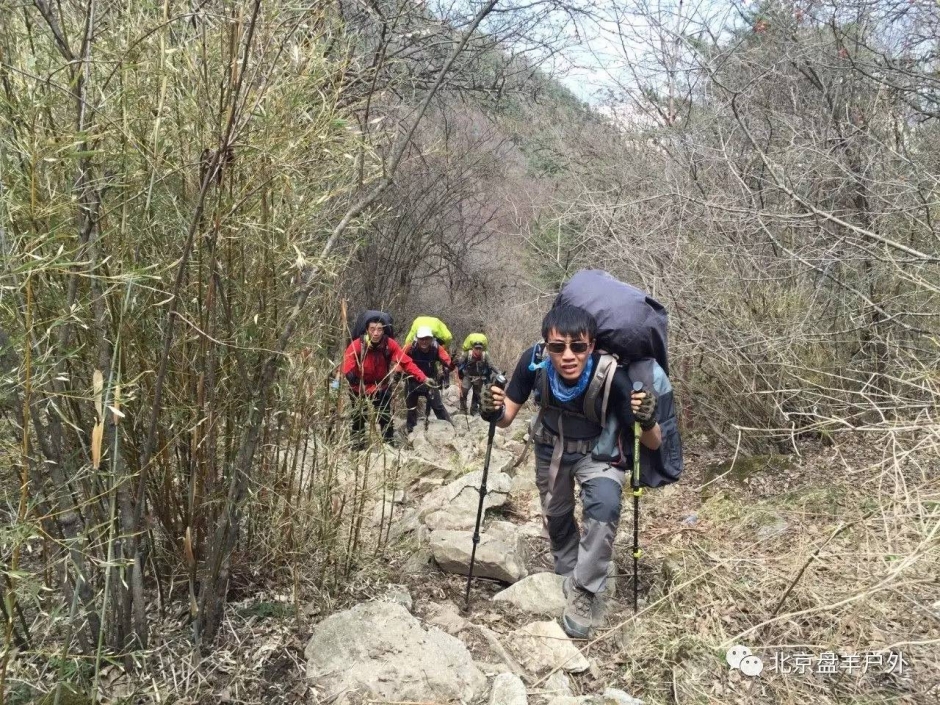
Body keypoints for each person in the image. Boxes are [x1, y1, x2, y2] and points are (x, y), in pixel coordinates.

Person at [479, 304, 660, 638]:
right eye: (557, 346)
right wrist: (491, 409)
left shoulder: (613, 377)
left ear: (591, 345)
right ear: (546, 345)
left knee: (604, 505)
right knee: (556, 513)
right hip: (551, 449)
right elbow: (505, 417)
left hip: (598, 452)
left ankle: (584, 589)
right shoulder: (533, 363)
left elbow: (652, 441)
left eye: (578, 346)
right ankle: (568, 567)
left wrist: (648, 419)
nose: (568, 356)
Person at [342, 315, 434, 449]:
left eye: (379, 329)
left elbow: (406, 362)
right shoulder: (358, 344)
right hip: (359, 388)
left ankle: (389, 446)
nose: (376, 333)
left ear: (384, 331)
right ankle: (357, 448)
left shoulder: (389, 344)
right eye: (372, 329)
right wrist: (350, 376)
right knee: (359, 418)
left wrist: (423, 378)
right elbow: (347, 362)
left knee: (385, 418)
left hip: (381, 387)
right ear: (367, 330)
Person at [403, 326, 454, 433]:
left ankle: (449, 427)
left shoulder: (436, 348)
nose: (424, 341)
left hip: (430, 381)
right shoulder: (410, 348)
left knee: (437, 406)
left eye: (427, 338)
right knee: (411, 407)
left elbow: (447, 361)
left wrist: (451, 364)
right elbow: (400, 360)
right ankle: (410, 431)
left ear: (431, 339)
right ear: (417, 339)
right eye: (421, 339)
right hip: (412, 381)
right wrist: (398, 373)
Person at [456, 339, 496, 415]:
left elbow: (491, 365)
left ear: (482, 349)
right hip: (467, 376)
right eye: (476, 348)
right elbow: (460, 361)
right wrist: (456, 361)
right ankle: (463, 410)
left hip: (479, 377)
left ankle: (474, 410)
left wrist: (499, 372)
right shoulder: (467, 354)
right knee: (463, 392)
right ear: (473, 348)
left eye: (480, 348)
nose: (478, 350)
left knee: (477, 394)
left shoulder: (485, 355)